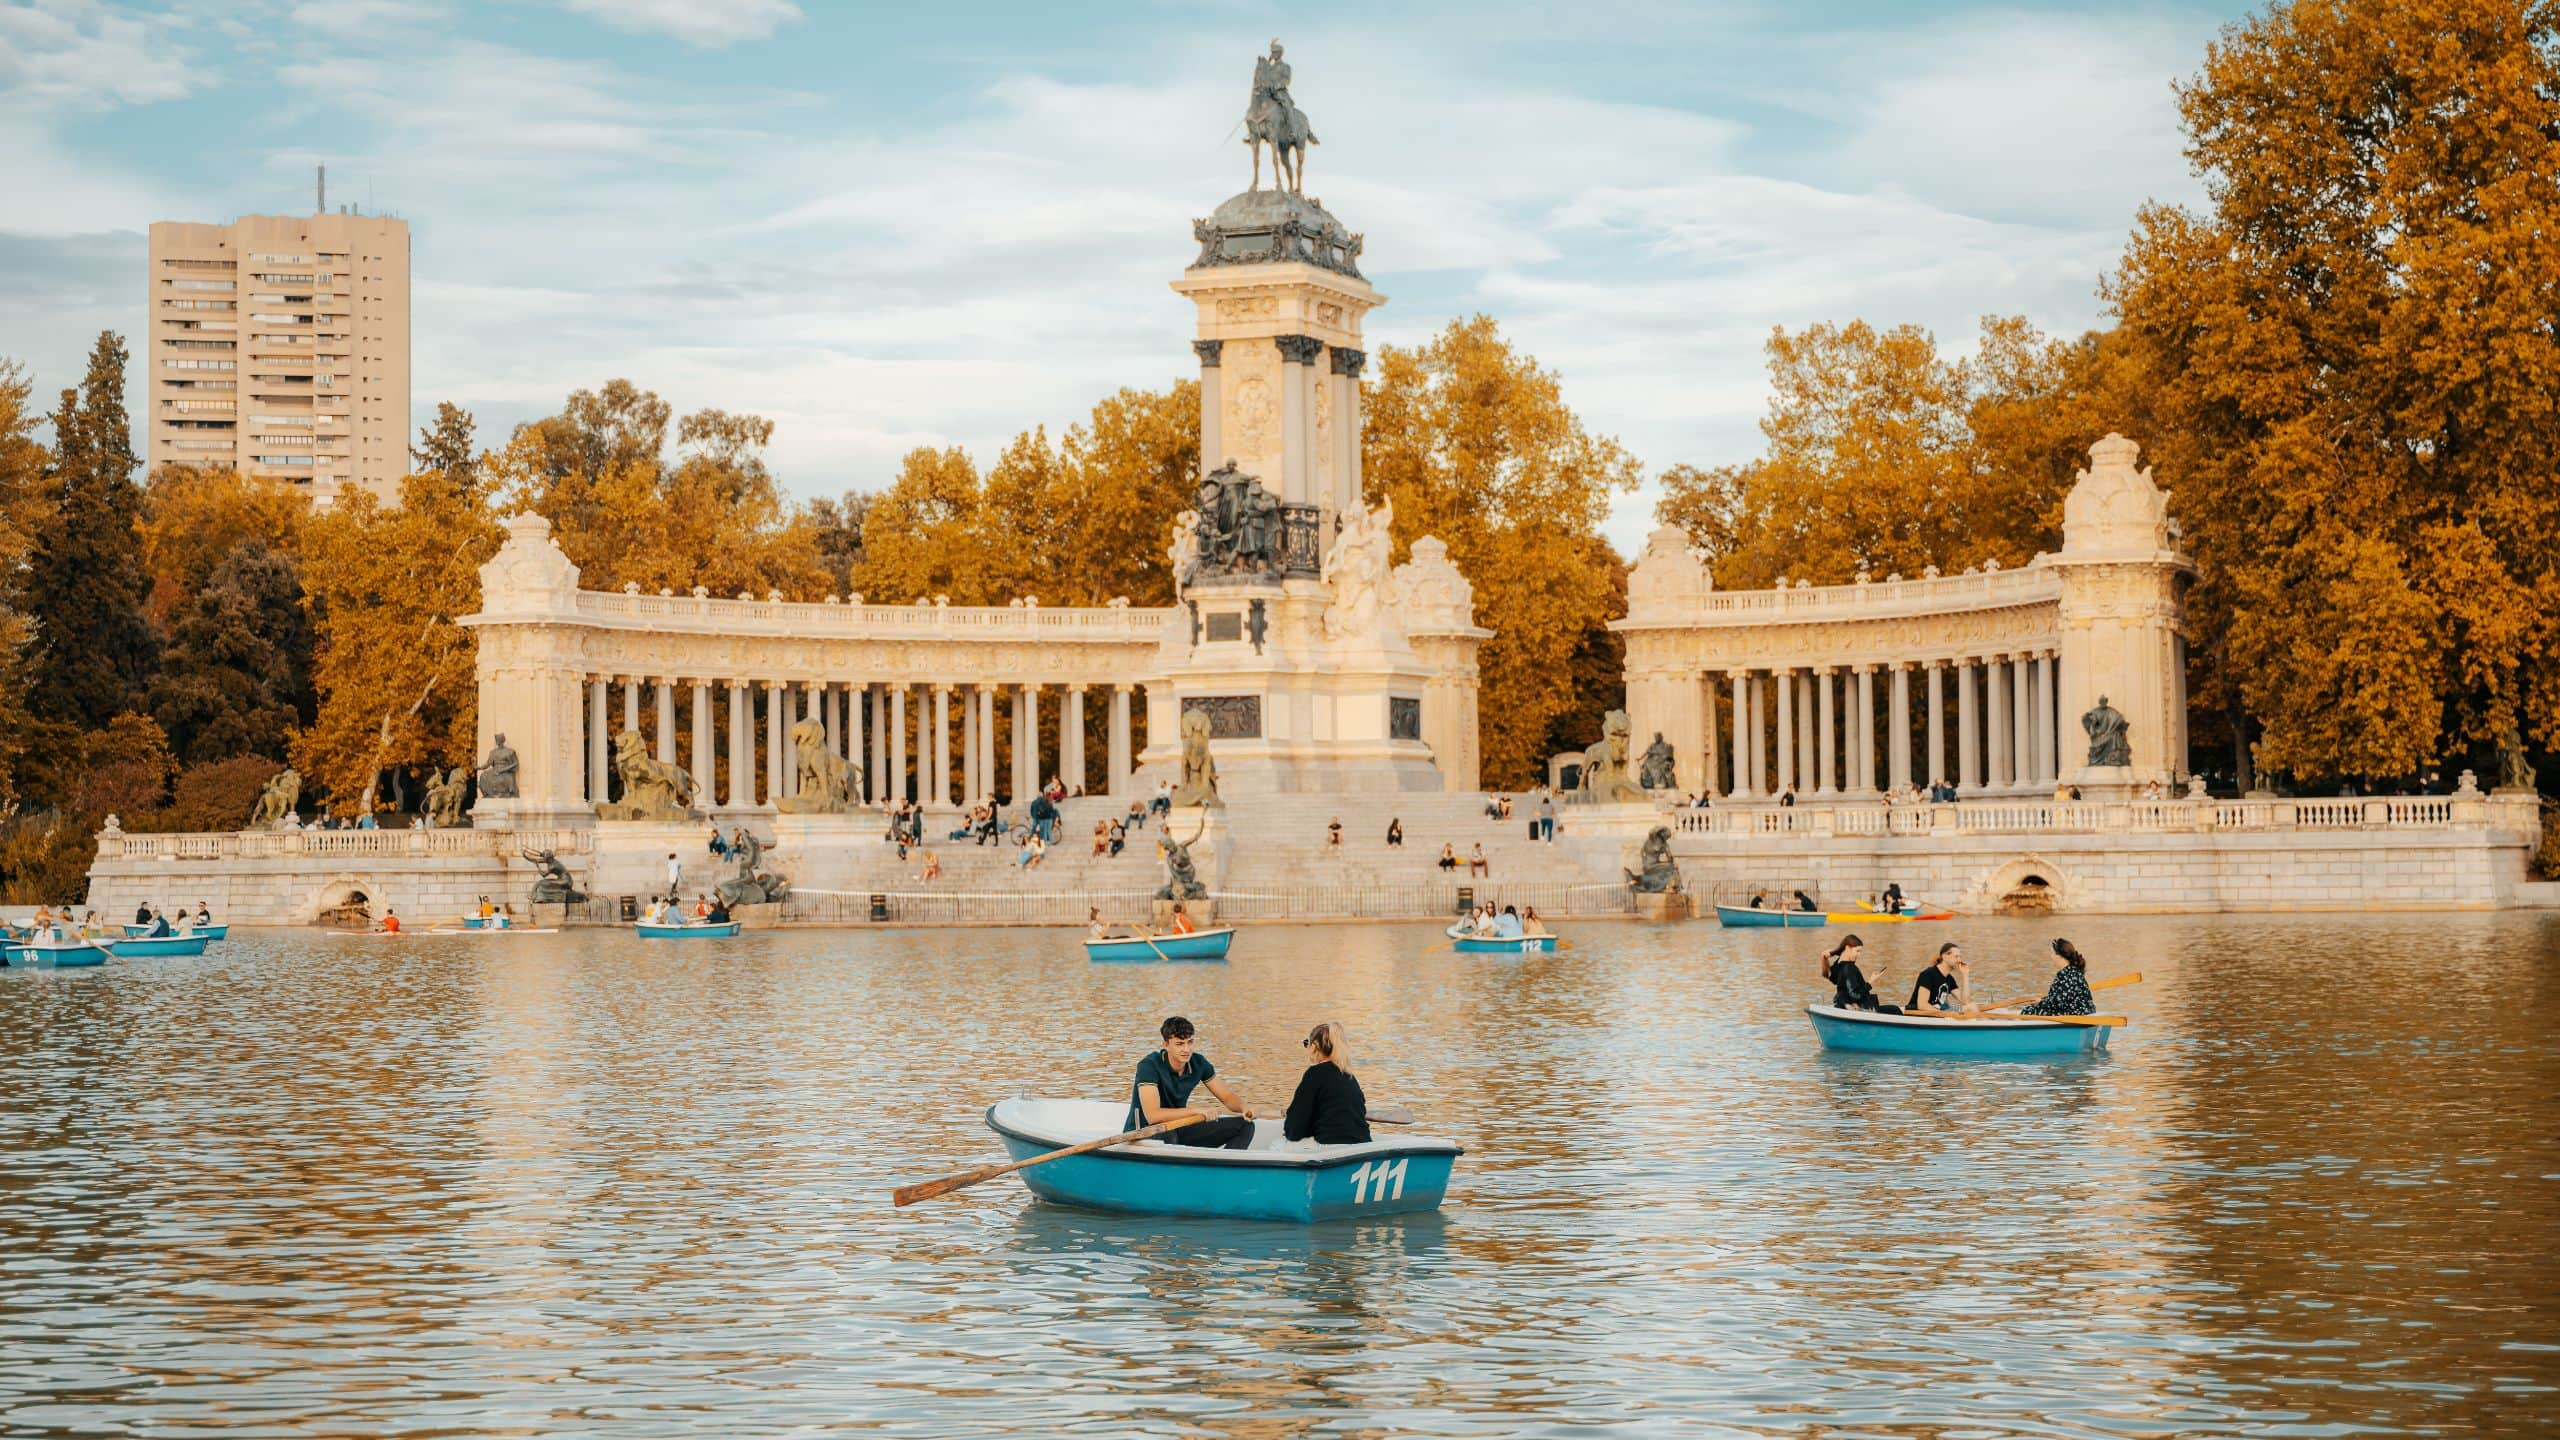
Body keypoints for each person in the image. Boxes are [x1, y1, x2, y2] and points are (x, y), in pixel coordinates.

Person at [1283, 1021, 1371, 1146]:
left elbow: (1294, 1132)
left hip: (1331, 1147)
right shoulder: (1349, 1075)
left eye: (1306, 1044)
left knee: (1279, 1144)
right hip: (1363, 1144)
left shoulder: (1314, 1074)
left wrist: (1292, 1119)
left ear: (1313, 1046)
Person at [2018, 938, 2097, 1015]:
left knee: (2028, 1011)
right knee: (2031, 1009)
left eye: (2052, 953)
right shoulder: (2071, 971)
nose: (2051, 956)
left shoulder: (2068, 975)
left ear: (2059, 955)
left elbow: (2059, 1003)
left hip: (2078, 1013)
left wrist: (2041, 1002)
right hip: (2080, 1010)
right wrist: (2042, 1001)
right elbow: (2061, 998)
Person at [1820, 933, 1896, 1012]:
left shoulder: (1838, 964)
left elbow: (1833, 979)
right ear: (1847, 948)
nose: (1859, 955)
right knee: (1895, 1009)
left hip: (1844, 1005)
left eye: (1860, 951)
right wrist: (1871, 981)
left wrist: (1827, 957)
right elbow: (1856, 995)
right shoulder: (1850, 968)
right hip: (1862, 1009)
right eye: (1857, 951)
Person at [1909, 942, 1969, 1012]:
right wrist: (1947, 1014)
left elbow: (1965, 1002)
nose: (1960, 960)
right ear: (1944, 956)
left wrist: (1965, 975)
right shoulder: (1928, 974)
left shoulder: (1949, 979)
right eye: (1956, 956)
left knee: (1970, 1007)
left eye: (1960, 957)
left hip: (1939, 1015)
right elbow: (1922, 1005)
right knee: (1970, 1008)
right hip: (1919, 1016)